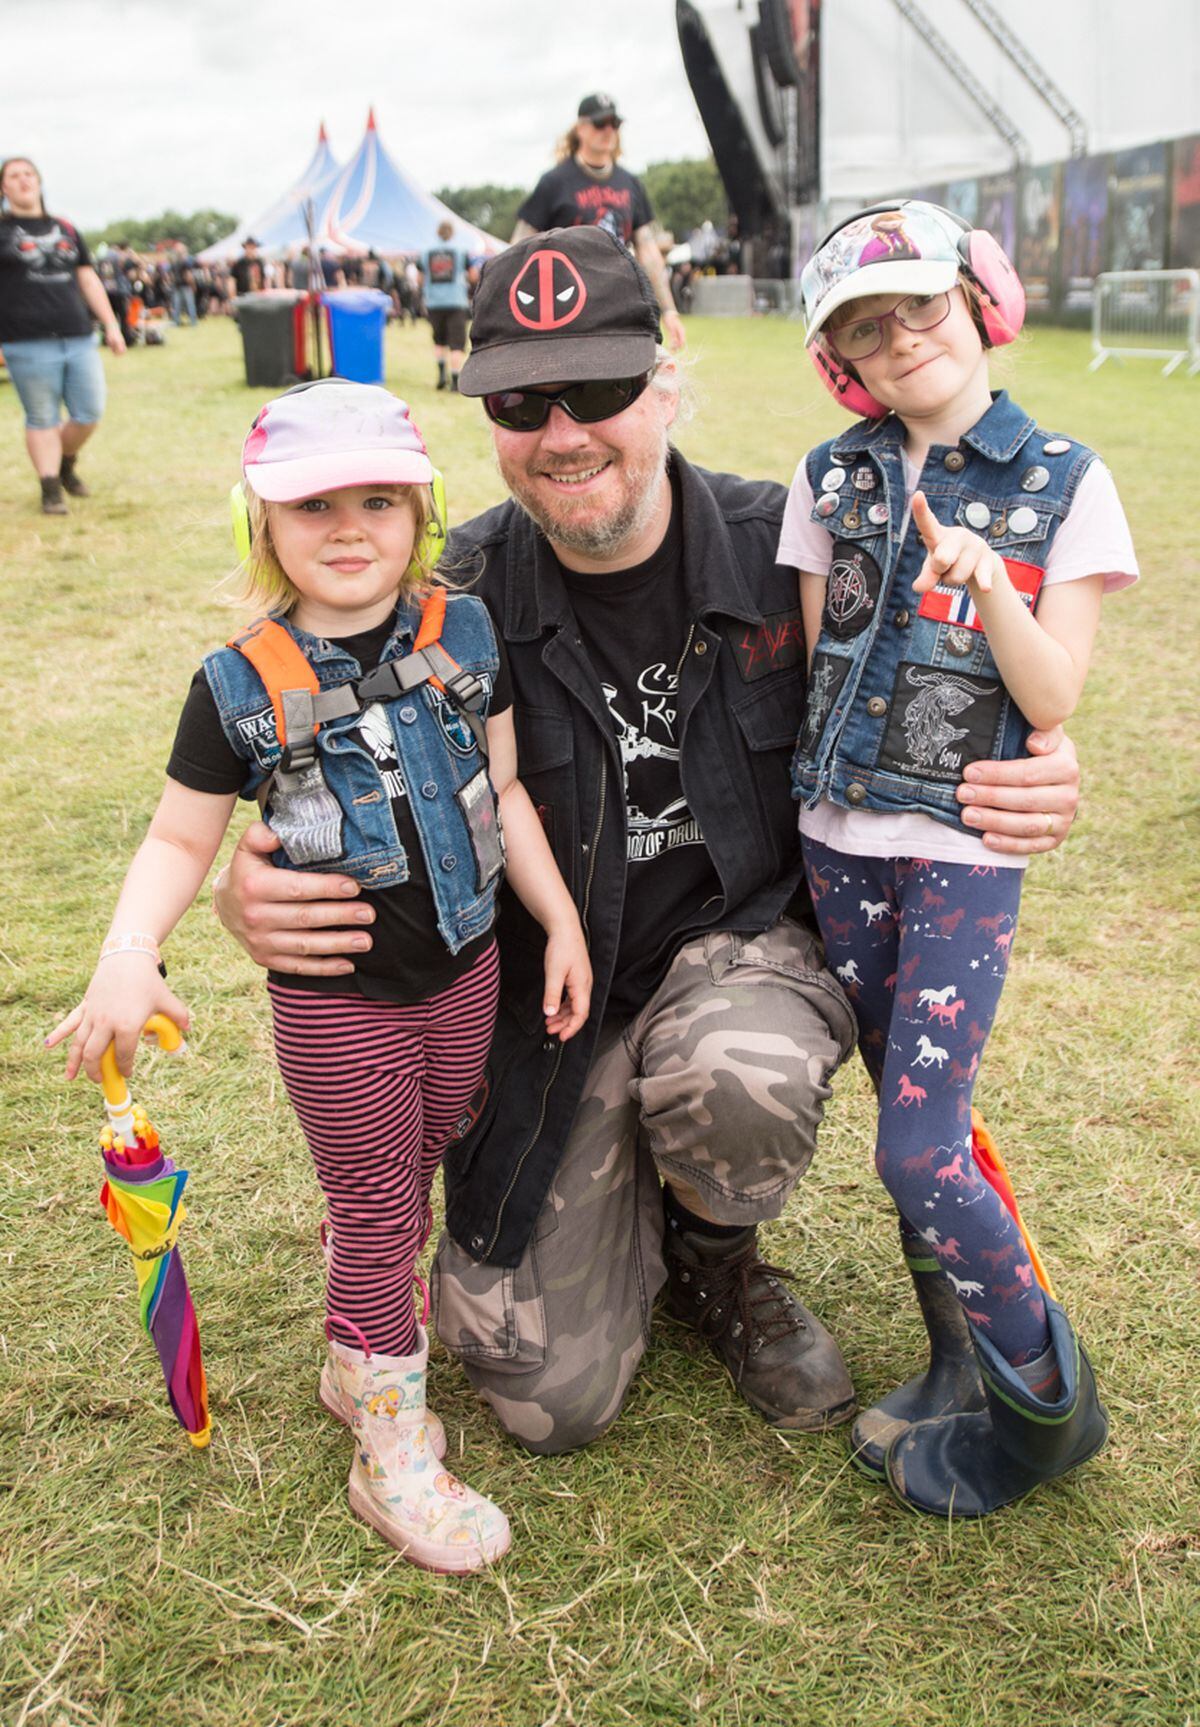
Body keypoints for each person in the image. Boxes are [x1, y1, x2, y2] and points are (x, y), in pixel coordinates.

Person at [213, 225, 1086, 1465]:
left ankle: (714, 1252)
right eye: (523, 398)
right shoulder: (443, 605)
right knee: (541, 1401)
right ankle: (619, 1202)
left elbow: (950, 684)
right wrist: (249, 891)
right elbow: (299, 767)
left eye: (604, 387)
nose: (565, 431)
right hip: (548, 1011)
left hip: (738, 959)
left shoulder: (795, 543)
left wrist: (1047, 763)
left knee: (741, 1078)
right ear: (491, 420)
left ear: (666, 378)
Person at [47, 379, 592, 1572]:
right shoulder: (235, 686)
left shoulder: (468, 633)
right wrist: (129, 953)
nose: (351, 528)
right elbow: (180, 840)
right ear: (264, 523)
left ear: (421, 512)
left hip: (465, 977)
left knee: (429, 1146)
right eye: (315, 506)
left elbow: (501, 794)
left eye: (379, 501)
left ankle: (357, 1358)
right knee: (378, 1207)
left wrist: (555, 918)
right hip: (339, 1002)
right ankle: (391, 1443)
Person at [784, 200, 1138, 1517]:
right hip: (837, 848)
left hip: (961, 857)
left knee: (919, 1145)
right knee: (911, 1116)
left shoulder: (1067, 477)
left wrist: (992, 582)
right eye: (867, 327)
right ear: (844, 360)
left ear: (981, 301)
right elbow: (817, 670)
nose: (901, 337)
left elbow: (1054, 696)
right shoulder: (830, 478)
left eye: (920, 304)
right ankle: (956, 1357)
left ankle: (1046, 1405)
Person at [513, 93, 686, 352]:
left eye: (614, 124)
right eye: (600, 123)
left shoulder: (630, 183)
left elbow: (648, 252)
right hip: (566, 304)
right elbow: (518, 247)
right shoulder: (555, 182)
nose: (608, 130)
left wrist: (670, 309)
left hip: (616, 301)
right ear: (581, 128)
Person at [0, 156, 125, 515]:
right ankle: (50, 487)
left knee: (89, 412)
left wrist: (111, 325)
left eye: (29, 174)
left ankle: (64, 461)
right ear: (3, 188)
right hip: (26, 339)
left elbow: (87, 278)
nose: (24, 180)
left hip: (78, 334)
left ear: (39, 181)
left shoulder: (66, 228)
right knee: (41, 417)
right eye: (14, 175)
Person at [419, 219, 476, 392]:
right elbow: (473, 275)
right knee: (457, 343)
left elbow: (419, 278)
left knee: (439, 339)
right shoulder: (461, 251)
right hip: (456, 301)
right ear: (452, 233)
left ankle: (441, 375)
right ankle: (455, 379)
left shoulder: (426, 252)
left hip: (434, 302)